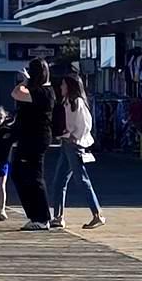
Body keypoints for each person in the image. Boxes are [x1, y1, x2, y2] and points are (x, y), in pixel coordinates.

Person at [50, 73, 104, 230]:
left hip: (74, 145)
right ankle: (58, 216)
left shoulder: (77, 102)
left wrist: (76, 136)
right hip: (67, 143)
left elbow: (86, 124)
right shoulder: (68, 102)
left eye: (63, 85)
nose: (61, 87)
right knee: (59, 181)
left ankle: (97, 214)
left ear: (70, 86)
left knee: (82, 180)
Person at [9, 60, 56, 231]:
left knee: (34, 176)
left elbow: (16, 93)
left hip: (36, 138)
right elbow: (16, 93)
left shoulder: (45, 92)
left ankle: (42, 217)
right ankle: (34, 214)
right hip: (27, 137)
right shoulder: (36, 90)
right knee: (18, 173)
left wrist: (26, 80)